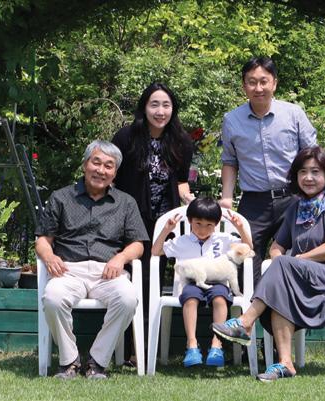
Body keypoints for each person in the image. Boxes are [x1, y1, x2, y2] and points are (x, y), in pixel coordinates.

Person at [212, 146, 325, 382]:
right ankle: (286, 363)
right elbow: (276, 247)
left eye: (315, 172)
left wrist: (295, 261)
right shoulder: (297, 207)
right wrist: (283, 262)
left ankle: (245, 323)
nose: (308, 177)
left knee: (282, 267)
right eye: (302, 172)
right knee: (279, 278)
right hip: (302, 276)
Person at [36, 140, 149, 380]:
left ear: (115, 172)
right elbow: (43, 240)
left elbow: (138, 244)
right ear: (85, 165)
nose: (101, 170)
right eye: (96, 162)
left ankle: (97, 361)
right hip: (68, 270)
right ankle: (69, 361)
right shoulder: (61, 197)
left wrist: (121, 257)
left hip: (108, 271)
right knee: (53, 298)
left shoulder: (125, 202)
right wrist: (49, 255)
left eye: (108, 166)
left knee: (128, 298)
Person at [112, 82, 195, 365]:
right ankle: (124, 348)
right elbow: (112, 177)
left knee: (153, 282)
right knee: (130, 280)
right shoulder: (126, 137)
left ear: (173, 109)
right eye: (154, 105)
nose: (160, 111)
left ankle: (145, 349)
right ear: (144, 108)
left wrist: (190, 200)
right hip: (130, 220)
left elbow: (181, 182)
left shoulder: (181, 142)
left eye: (166, 105)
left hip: (164, 224)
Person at [220, 56, 317, 285]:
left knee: (299, 259)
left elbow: (313, 155)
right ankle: (251, 307)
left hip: (294, 198)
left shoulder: (293, 114)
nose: (258, 88)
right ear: (244, 86)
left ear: (274, 83)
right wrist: (226, 197)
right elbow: (230, 161)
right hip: (254, 202)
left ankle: (291, 307)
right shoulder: (232, 120)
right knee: (245, 266)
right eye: (252, 82)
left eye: (264, 81)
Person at [151, 197, 253, 367]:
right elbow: (155, 251)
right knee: (190, 299)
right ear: (189, 221)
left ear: (216, 224)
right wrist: (166, 230)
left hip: (218, 283)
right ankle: (191, 344)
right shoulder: (182, 241)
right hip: (191, 283)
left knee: (220, 299)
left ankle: (217, 344)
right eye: (198, 224)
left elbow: (249, 248)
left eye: (209, 225)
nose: (203, 230)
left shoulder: (224, 239)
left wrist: (240, 228)